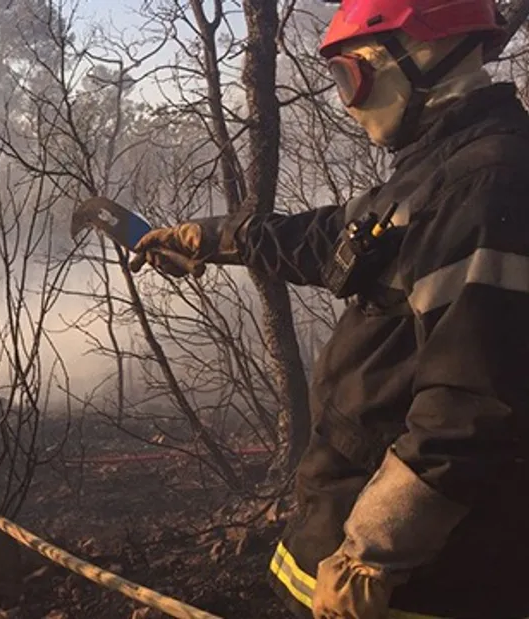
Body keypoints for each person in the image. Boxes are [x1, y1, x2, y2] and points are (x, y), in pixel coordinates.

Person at [128, 1, 529, 617]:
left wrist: (373, 554)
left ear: (420, 58)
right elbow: (330, 241)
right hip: (348, 515)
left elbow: (470, 406)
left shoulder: (485, 187)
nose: (346, 101)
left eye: (351, 75)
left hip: (426, 577)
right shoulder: (438, 173)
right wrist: (208, 238)